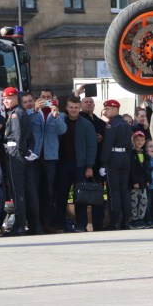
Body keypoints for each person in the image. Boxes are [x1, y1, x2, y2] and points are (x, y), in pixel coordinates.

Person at [54, 96, 98, 233]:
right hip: (63, 164)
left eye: (76, 107)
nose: (73, 110)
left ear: (80, 108)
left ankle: (81, 225)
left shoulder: (86, 124)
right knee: (61, 195)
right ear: (66, 108)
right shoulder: (61, 121)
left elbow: (92, 147)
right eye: (71, 107)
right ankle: (60, 224)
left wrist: (89, 166)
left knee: (80, 197)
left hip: (80, 165)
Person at [28, 89, 67, 232]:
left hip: (50, 158)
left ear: (53, 98)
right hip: (35, 157)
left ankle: (48, 222)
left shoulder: (59, 115)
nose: (45, 99)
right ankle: (35, 223)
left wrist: (55, 117)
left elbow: (62, 130)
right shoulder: (33, 113)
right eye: (43, 97)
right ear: (38, 98)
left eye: (48, 97)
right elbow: (25, 126)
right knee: (35, 191)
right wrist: (34, 110)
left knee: (49, 192)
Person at [1, 87, 37, 235]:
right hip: (23, 155)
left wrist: (22, 151)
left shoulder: (15, 114)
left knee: (18, 191)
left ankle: (20, 226)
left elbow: (17, 136)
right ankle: (35, 225)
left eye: (7, 99)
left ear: (15, 98)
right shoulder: (21, 113)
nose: (5, 101)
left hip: (15, 154)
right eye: (4, 99)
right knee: (29, 191)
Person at [100, 99, 133, 230]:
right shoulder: (126, 124)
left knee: (114, 191)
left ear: (115, 110)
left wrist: (103, 163)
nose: (105, 111)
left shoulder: (111, 125)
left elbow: (107, 145)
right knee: (124, 190)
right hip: (125, 157)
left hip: (114, 157)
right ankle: (126, 221)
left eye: (108, 109)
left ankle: (115, 222)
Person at [79, 95, 107, 231]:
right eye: (86, 102)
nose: (89, 104)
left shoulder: (101, 123)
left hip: (97, 163)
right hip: (81, 163)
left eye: (91, 102)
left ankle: (98, 223)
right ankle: (81, 224)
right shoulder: (78, 120)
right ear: (81, 105)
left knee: (97, 195)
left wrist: (102, 139)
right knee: (81, 194)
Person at [128, 131, 148, 229]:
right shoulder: (131, 153)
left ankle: (141, 218)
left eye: (142, 140)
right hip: (135, 182)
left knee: (144, 200)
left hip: (143, 181)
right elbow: (131, 169)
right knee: (134, 201)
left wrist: (147, 180)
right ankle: (133, 219)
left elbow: (146, 168)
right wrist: (134, 181)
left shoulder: (144, 153)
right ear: (133, 141)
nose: (139, 142)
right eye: (137, 140)